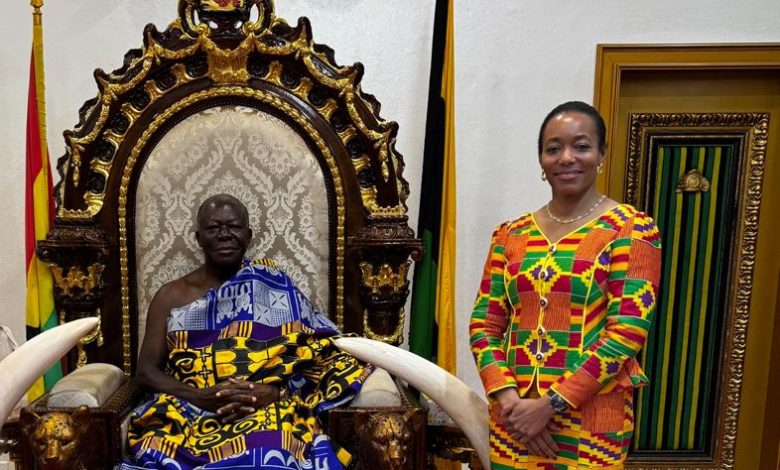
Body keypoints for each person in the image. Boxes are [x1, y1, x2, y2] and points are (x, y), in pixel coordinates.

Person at [469, 101, 662, 469]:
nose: (567, 158)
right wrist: (511, 404)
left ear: (601, 154)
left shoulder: (631, 229)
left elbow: (627, 333)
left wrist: (549, 406)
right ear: (541, 160)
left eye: (582, 146)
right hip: (514, 422)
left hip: (592, 423)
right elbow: (484, 326)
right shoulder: (510, 235)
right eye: (553, 148)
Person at [120, 194, 372, 470]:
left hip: (263, 407)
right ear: (198, 238)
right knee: (159, 447)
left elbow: (320, 349)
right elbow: (145, 372)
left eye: (234, 227)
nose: (224, 234)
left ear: (248, 235)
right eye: (213, 228)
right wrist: (199, 397)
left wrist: (275, 393)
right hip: (189, 406)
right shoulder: (171, 296)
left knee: (275, 449)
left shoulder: (274, 285)